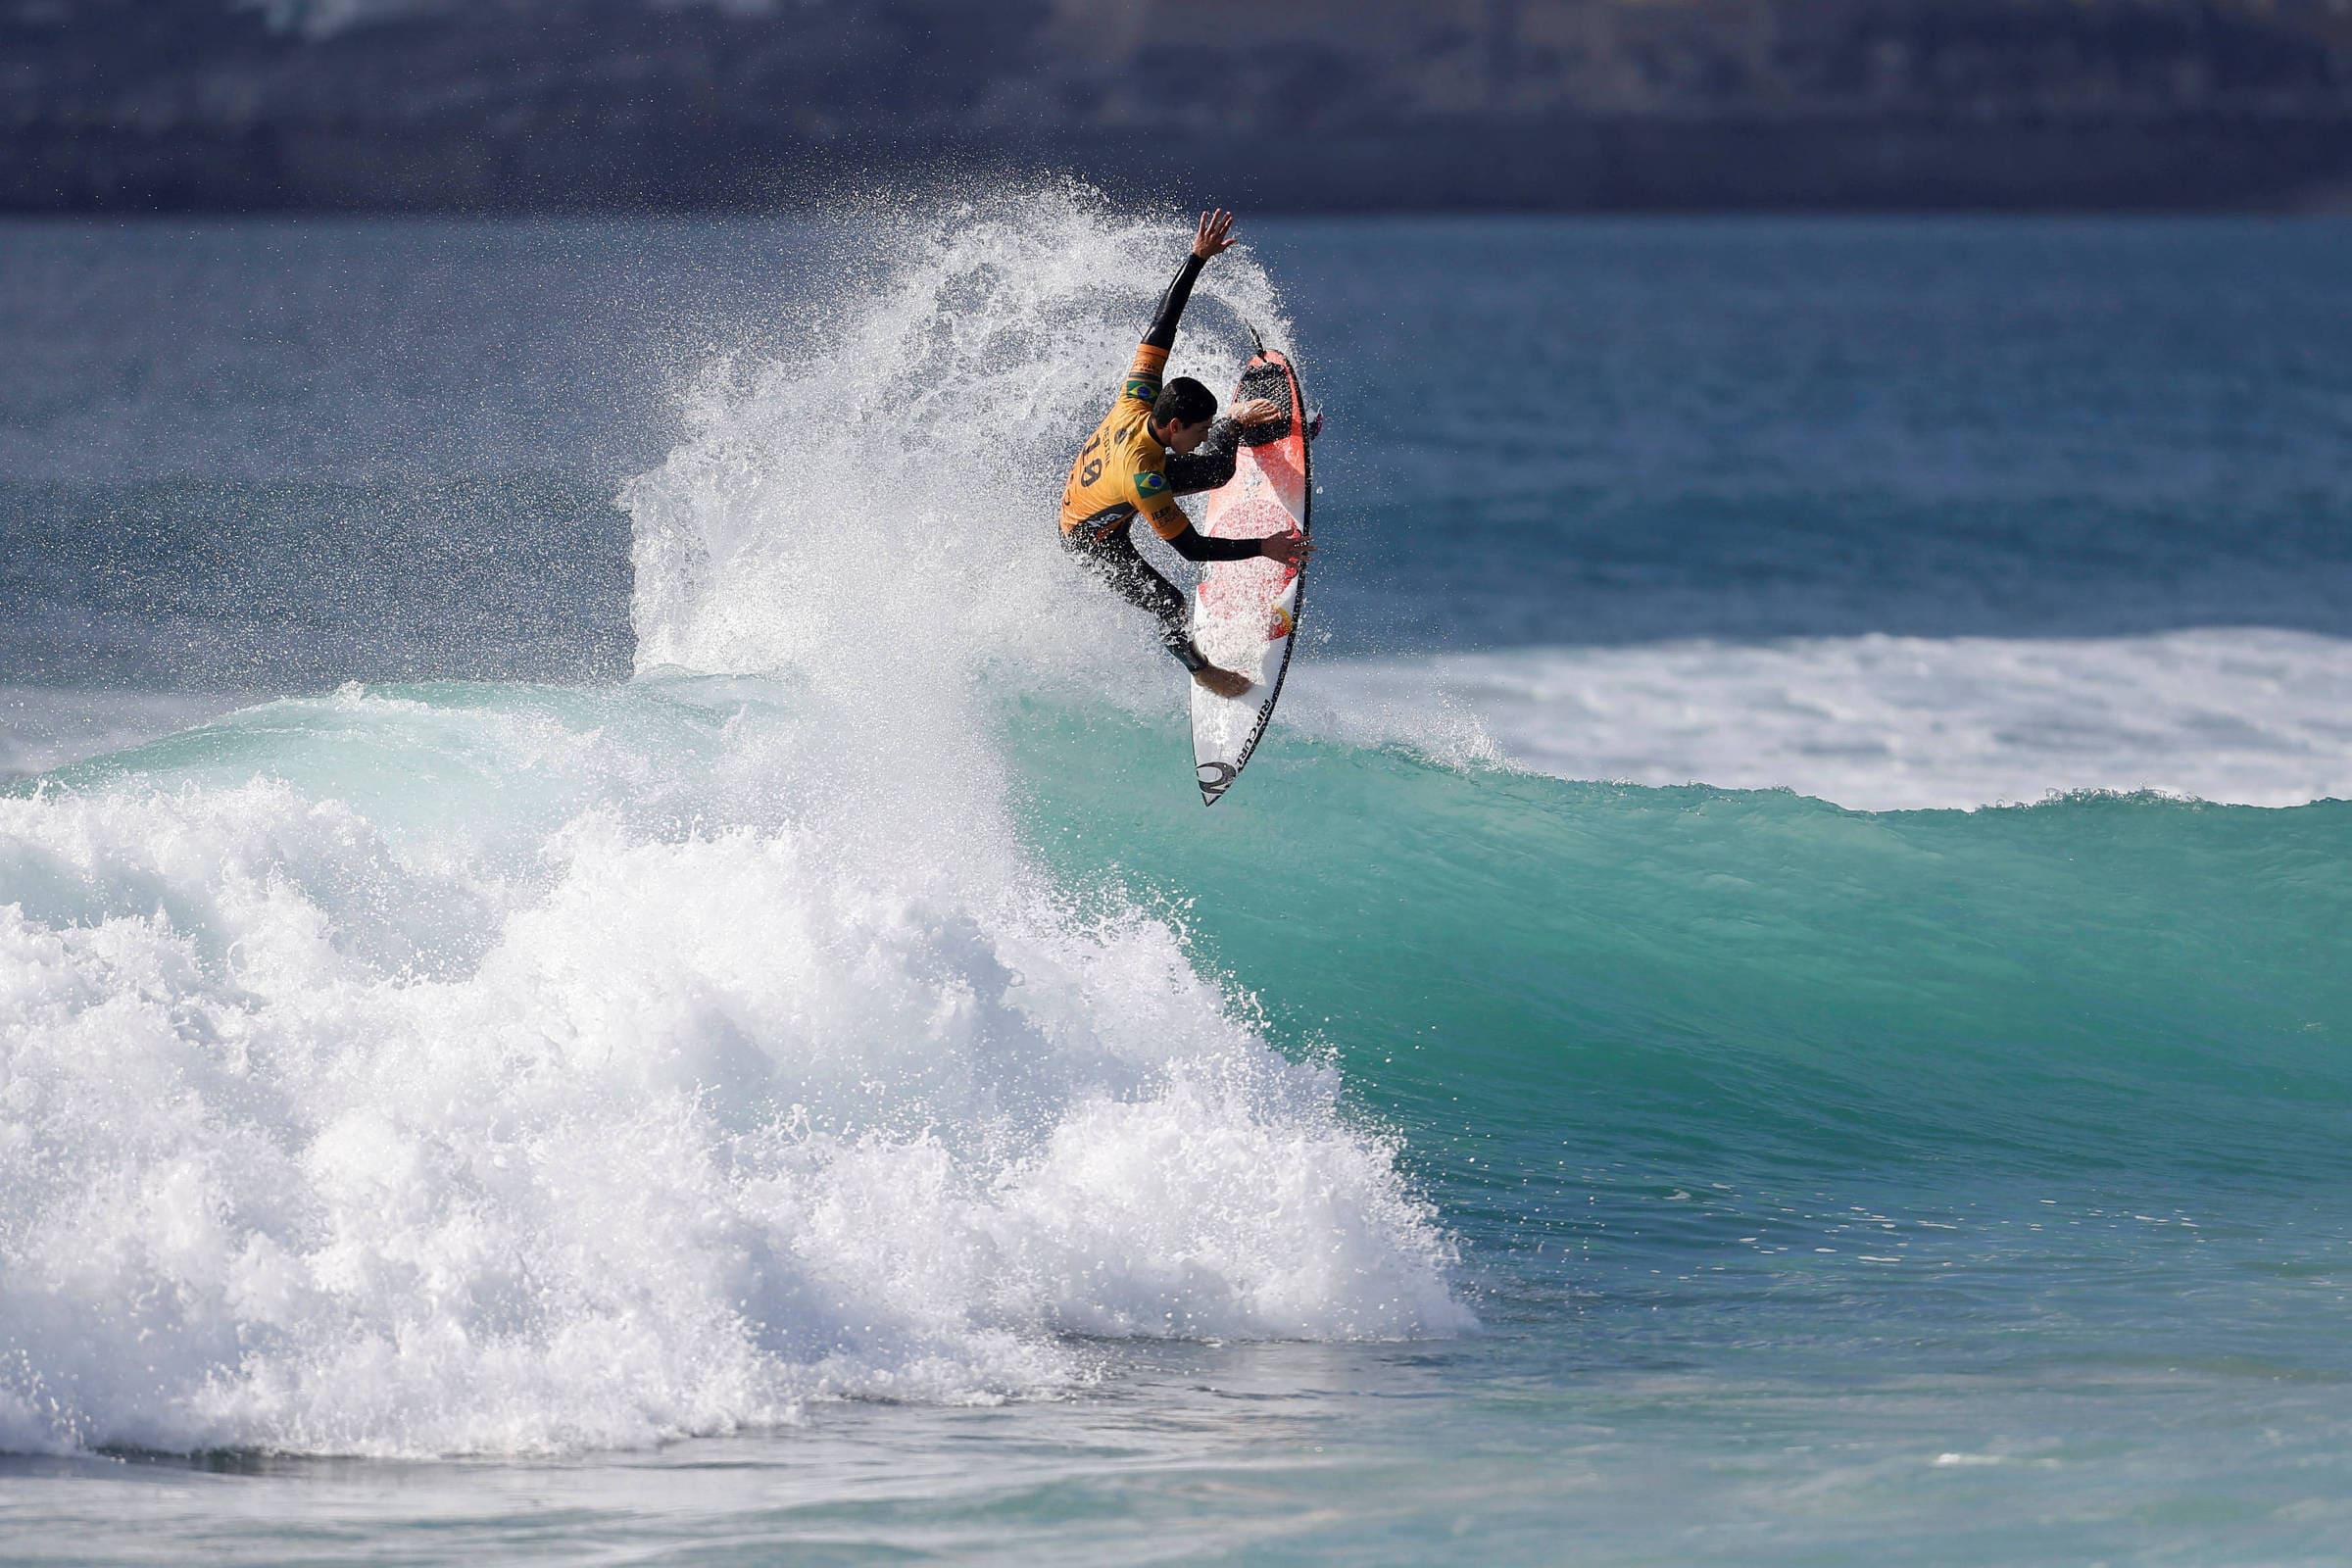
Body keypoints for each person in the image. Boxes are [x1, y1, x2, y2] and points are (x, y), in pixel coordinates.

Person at [1058, 209, 1314, 699]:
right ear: (1174, 425)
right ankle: (1200, 670)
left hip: (1109, 482)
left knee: (1217, 469)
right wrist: (1264, 547)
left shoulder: (1137, 397)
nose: (1201, 436)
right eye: (1200, 431)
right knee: (1168, 600)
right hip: (1091, 535)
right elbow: (1193, 548)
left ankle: (1237, 423)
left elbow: (1161, 327)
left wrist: (1197, 258)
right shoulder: (1146, 479)